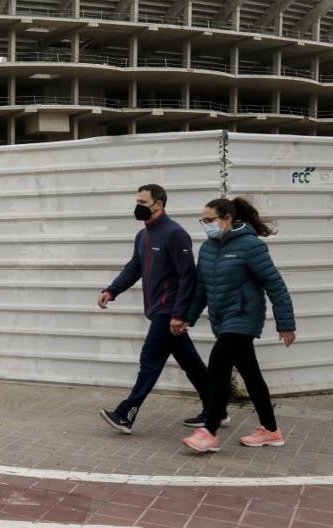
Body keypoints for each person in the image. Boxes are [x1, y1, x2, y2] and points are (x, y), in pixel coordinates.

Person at [180, 197, 297, 453]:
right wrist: (187, 318)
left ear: (227, 218)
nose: (206, 225)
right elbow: (201, 288)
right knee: (251, 375)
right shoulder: (209, 248)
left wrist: (285, 323)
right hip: (223, 319)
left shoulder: (250, 246)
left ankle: (209, 432)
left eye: (210, 220)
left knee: (217, 367)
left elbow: (275, 285)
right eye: (203, 220)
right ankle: (271, 430)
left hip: (243, 316)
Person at [97, 184, 215, 434]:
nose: (137, 206)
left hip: (169, 310)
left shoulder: (175, 233)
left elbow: (187, 276)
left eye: (142, 202)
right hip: (159, 310)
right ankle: (217, 409)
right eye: (137, 201)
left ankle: (125, 414)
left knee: (149, 362)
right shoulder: (143, 235)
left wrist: (180, 314)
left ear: (158, 204)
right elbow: (134, 268)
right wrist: (112, 290)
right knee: (190, 362)